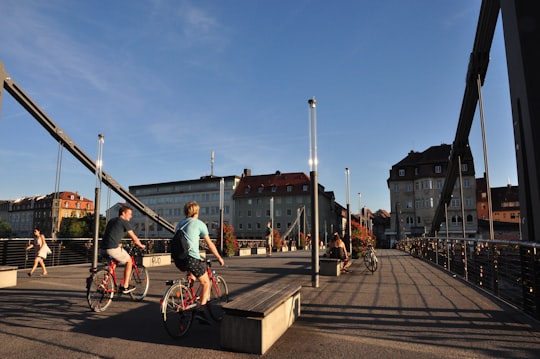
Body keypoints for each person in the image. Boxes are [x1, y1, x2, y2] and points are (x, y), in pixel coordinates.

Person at [175, 201, 225, 325]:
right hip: (191, 259)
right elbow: (209, 244)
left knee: (192, 276)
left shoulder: (179, 224)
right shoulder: (199, 224)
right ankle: (201, 311)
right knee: (206, 282)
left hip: (178, 259)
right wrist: (219, 257)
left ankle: (187, 300)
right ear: (196, 212)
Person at [101, 205, 146, 294]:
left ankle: (104, 282)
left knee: (113, 264)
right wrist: (141, 245)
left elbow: (111, 234)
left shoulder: (111, 221)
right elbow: (134, 238)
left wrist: (117, 243)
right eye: (129, 214)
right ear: (123, 213)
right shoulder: (124, 222)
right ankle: (125, 286)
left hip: (102, 248)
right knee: (129, 261)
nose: (131, 216)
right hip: (112, 249)